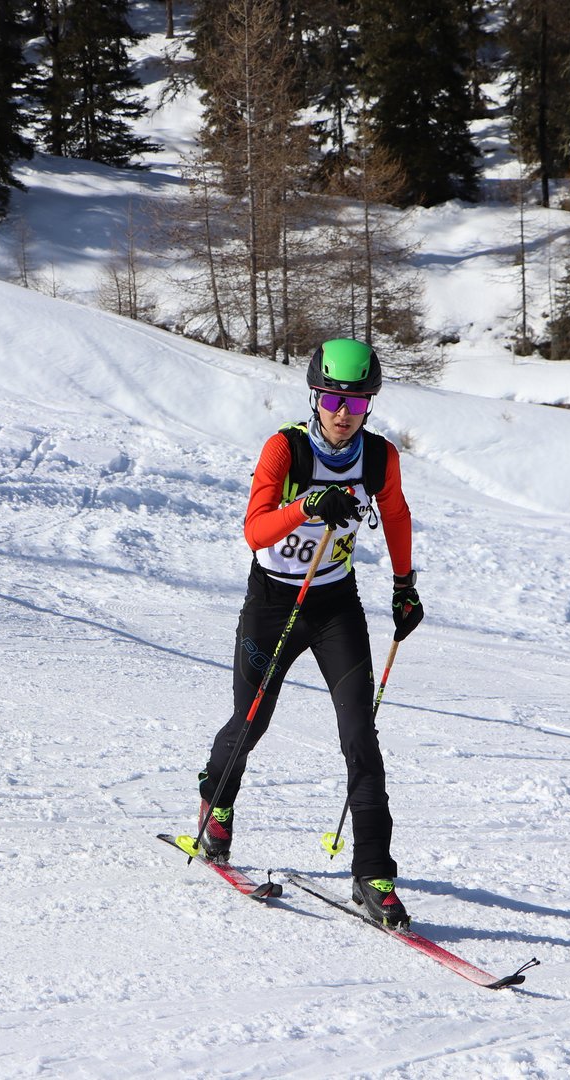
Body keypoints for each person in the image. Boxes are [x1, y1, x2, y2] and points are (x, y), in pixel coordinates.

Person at [191, 338, 422, 928]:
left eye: (357, 403)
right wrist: (310, 506)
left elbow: (396, 515)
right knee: (251, 721)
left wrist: (404, 585)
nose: (344, 413)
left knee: (360, 737)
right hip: (273, 602)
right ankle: (217, 799)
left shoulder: (378, 457)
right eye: (333, 399)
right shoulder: (284, 449)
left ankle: (374, 872)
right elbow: (255, 531)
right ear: (314, 397)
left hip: (335, 605)